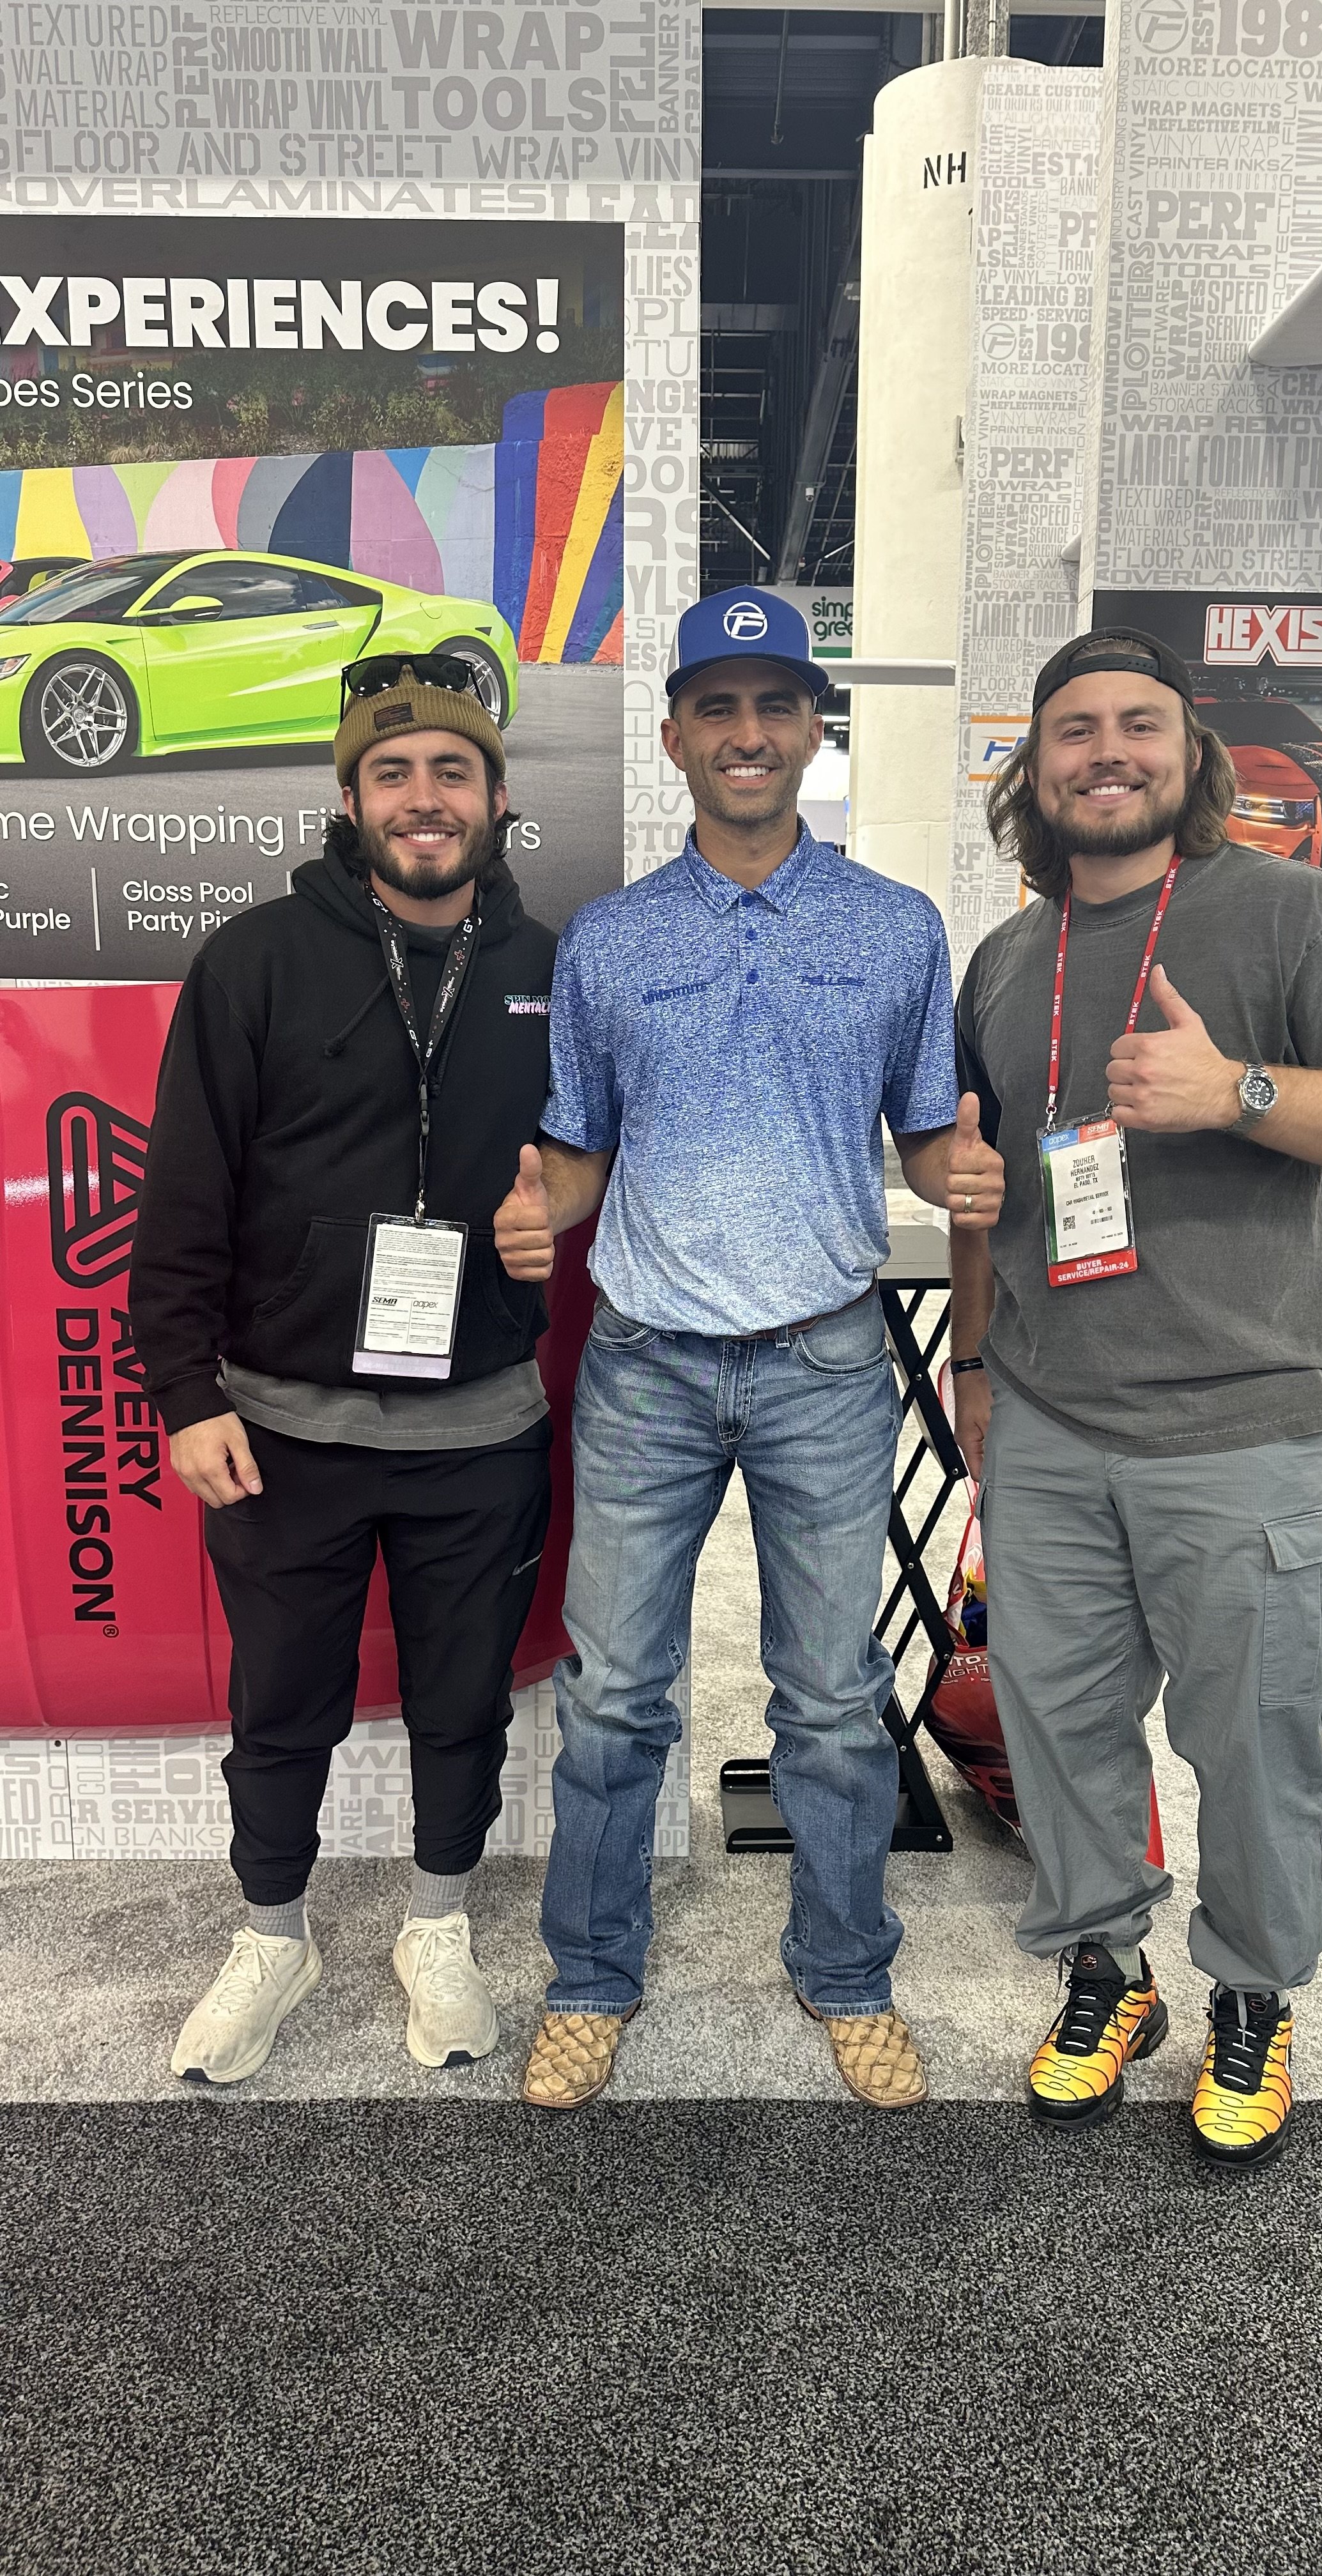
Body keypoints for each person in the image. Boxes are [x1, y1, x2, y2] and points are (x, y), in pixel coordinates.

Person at [492, 585, 1004, 2111]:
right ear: (674, 737)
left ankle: (845, 1972)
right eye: (718, 707)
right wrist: (544, 1211)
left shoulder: (896, 928)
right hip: (647, 1364)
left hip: (825, 1361)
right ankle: (593, 1975)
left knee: (831, 1697)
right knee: (615, 1695)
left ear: (812, 729)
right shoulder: (611, 942)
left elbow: (925, 1143)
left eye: (776, 704)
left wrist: (954, 1177)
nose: (749, 732)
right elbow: (579, 1154)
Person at [949, 625, 1322, 2165]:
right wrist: (973, 1368)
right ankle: (1107, 1971)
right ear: (1032, 770)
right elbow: (997, 1197)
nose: (1107, 752)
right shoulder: (1008, 959)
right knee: (1062, 1733)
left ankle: (1251, 1995)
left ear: (1188, 753)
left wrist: (1237, 1092)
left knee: (1254, 1748)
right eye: (1074, 730)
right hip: (1045, 1422)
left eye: (1138, 725)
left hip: (1248, 1428)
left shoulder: (1293, 915)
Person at [130, 656, 557, 2085]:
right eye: (393, 772)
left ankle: (437, 1925)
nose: (424, 798)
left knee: (462, 1703)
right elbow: (183, 1191)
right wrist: (183, 1393)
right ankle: (275, 1934)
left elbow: (609, 1157)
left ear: (499, 797)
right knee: (284, 1701)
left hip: (482, 1423)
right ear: (351, 797)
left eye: (451, 771)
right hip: (282, 1426)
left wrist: (564, 1205)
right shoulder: (253, 959)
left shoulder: (554, 971)